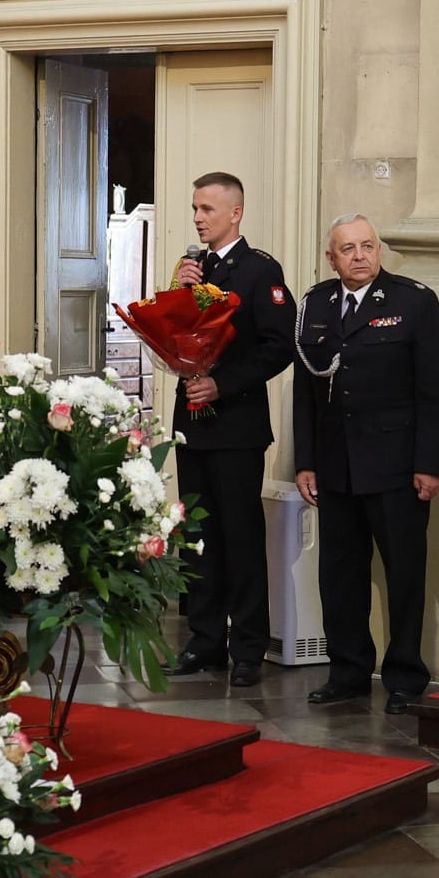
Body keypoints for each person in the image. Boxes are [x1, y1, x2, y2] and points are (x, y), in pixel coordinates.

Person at [292, 214, 439, 715]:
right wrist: (306, 461)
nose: (360, 256)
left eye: (368, 246)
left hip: (396, 465)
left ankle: (405, 675)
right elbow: (305, 393)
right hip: (336, 465)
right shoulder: (315, 304)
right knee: (340, 575)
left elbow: (435, 392)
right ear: (331, 258)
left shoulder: (413, 301)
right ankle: (348, 672)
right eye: (348, 249)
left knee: (404, 573)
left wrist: (431, 464)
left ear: (378, 250)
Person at [167, 172, 296, 688]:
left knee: (240, 538)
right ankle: (204, 641)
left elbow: (278, 346)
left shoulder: (260, 270)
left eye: (207, 209)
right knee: (197, 537)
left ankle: (246, 647)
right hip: (192, 424)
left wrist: (222, 384)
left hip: (237, 425)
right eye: (195, 209)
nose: (198, 218)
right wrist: (176, 296)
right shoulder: (192, 270)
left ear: (235, 213)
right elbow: (173, 336)